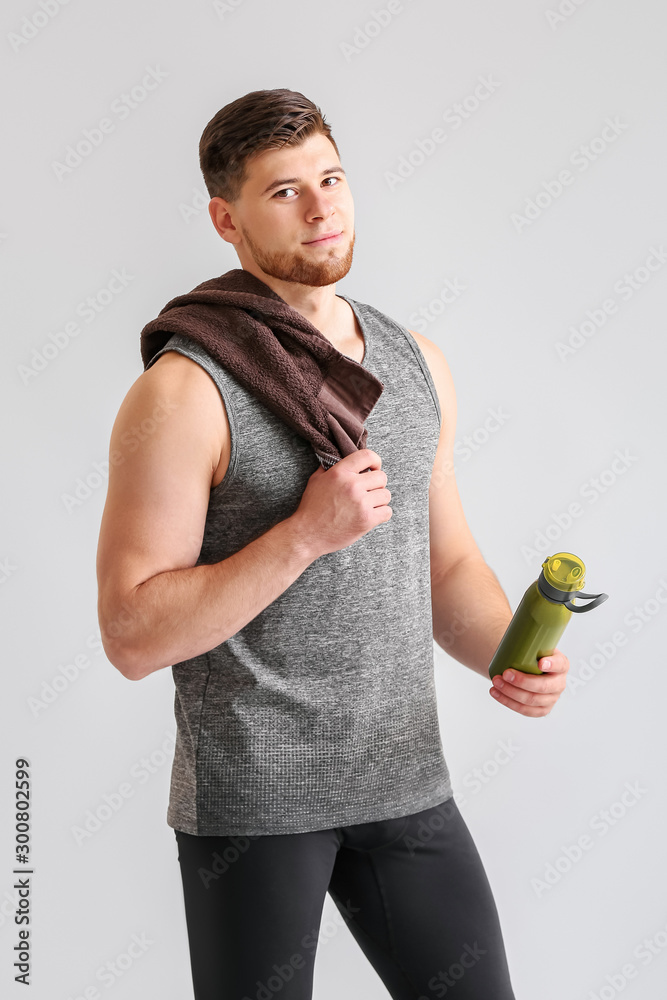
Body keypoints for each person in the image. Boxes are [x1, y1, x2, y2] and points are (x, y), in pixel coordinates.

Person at [96, 88, 569, 1000]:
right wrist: (304, 536)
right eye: (284, 192)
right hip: (255, 804)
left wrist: (513, 654)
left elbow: (448, 566)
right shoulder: (183, 393)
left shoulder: (414, 361)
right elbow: (131, 633)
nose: (321, 209)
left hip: (404, 779)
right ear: (224, 220)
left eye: (332, 178)